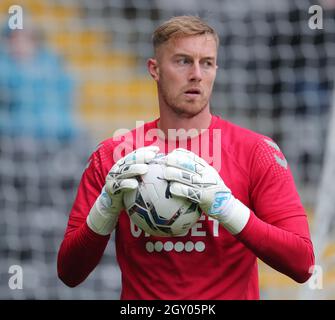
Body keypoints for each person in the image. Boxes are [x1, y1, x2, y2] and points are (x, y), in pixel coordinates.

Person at [57, 16, 315, 299]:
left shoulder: (256, 151)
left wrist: (226, 207)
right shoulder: (113, 157)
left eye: (206, 63)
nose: (196, 74)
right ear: (154, 69)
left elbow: (303, 264)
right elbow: (69, 273)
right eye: (182, 61)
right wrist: (105, 207)